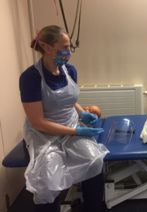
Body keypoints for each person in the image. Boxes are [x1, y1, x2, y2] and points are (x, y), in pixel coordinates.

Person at [19, 25, 109, 212]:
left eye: (70, 48)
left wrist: (81, 113)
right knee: (48, 179)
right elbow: (38, 122)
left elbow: (68, 99)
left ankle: (93, 207)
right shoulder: (31, 77)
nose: (69, 52)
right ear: (46, 47)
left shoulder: (69, 70)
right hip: (44, 134)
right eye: (65, 47)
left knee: (95, 161)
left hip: (70, 126)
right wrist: (76, 131)